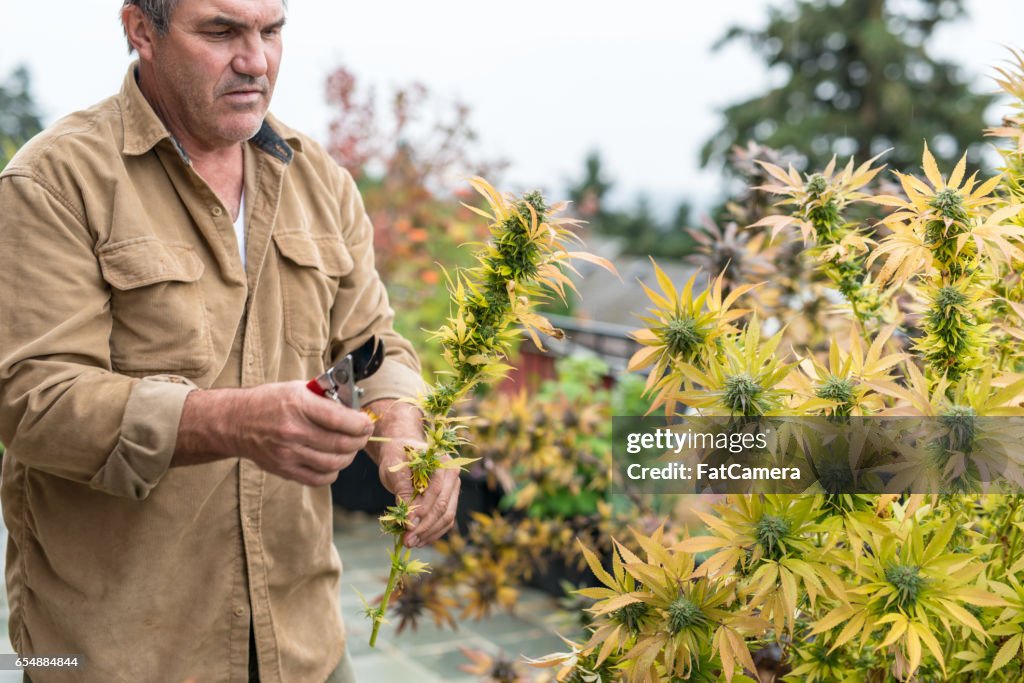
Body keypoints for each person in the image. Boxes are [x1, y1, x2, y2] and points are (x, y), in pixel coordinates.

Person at [0, 0, 461, 680]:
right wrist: (233, 421)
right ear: (140, 31)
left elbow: (375, 344)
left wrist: (404, 425)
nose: (255, 60)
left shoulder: (321, 181)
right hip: (124, 653)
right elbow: (32, 401)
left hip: (302, 641)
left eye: (271, 31)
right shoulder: (54, 182)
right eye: (221, 31)